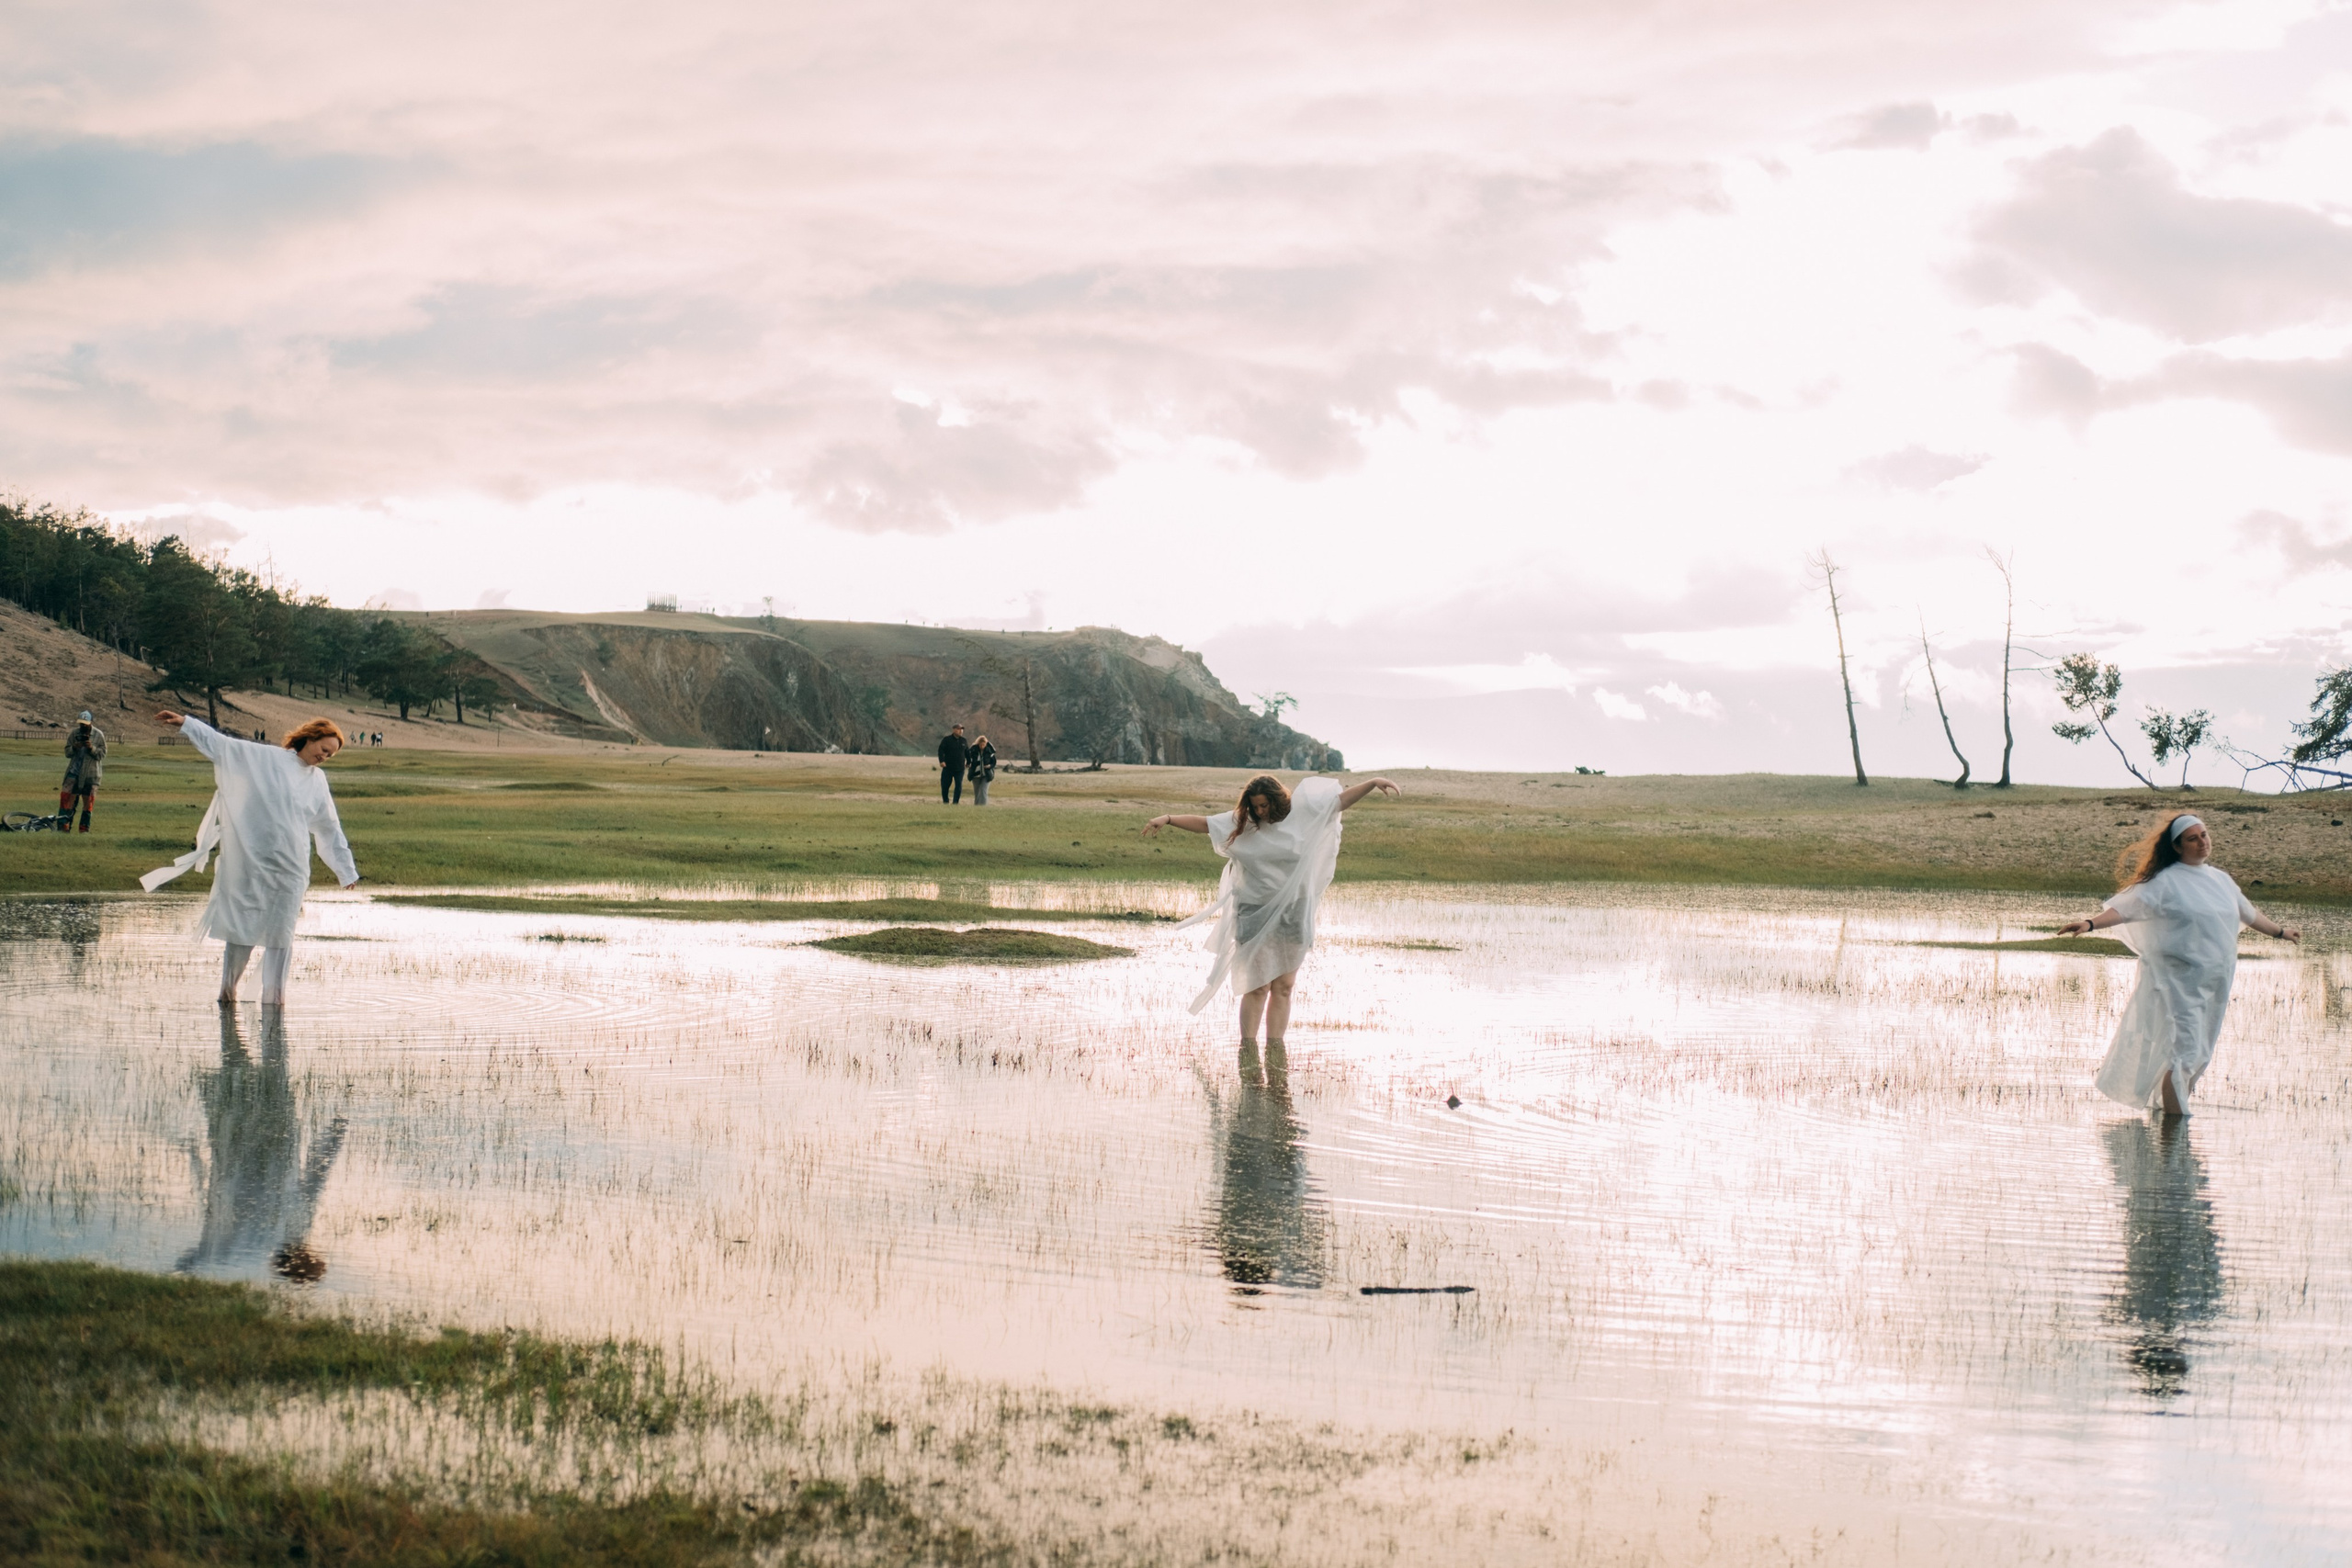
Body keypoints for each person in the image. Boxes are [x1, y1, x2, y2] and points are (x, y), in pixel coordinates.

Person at [2058, 812, 2300, 1115]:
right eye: (2193, 838)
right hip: (2178, 982)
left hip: (2216, 979)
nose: (2202, 842)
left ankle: (2169, 1117)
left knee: (2201, 1053)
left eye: (2205, 835)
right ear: (2177, 846)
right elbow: (2125, 909)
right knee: (2185, 1053)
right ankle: (2177, 1132)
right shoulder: (2164, 882)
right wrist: (2090, 923)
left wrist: (2280, 932)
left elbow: (2248, 915)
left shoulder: (2220, 880)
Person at [1145, 772, 1400, 1043]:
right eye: (1254, 806)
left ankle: (1275, 1048)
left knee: (1284, 987)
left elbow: (1338, 802)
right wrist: (1169, 819)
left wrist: (1373, 783)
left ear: (1278, 801)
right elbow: (1206, 823)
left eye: (1264, 805)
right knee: (1257, 986)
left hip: (1295, 911)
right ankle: (1248, 1049)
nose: (1259, 811)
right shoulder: (1245, 823)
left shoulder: (1304, 814)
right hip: (1254, 911)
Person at [141, 711, 360, 1007]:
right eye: (324, 750)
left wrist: (346, 870)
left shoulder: (317, 780)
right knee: (244, 925)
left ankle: (275, 999)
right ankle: (227, 992)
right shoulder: (266, 758)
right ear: (309, 738)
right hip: (253, 860)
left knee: (281, 934)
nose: (325, 757)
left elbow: (328, 827)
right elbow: (223, 746)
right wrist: (186, 723)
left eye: (330, 756)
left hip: (291, 867)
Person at [60, 710, 106, 833]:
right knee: (66, 800)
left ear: (91, 722)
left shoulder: (99, 735)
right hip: (73, 772)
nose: (83, 726)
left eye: (85, 724)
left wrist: (92, 748)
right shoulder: (74, 733)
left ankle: (84, 830)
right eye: (81, 724)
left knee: (88, 803)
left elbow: (102, 754)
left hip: (91, 775)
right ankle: (63, 828)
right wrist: (75, 747)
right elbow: (67, 753)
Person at [936, 723, 969, 805]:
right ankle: (946, 801)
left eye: (962, 729)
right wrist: (941, 761)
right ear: (953, 729)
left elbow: (967, 752)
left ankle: (955, 802)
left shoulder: (964, 740)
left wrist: (969, 762)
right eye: (958, 729)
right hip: (948, 767)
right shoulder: (947, 740)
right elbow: (941, 750)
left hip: (960, 768)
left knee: (958, 786)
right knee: (945, 786)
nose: (960, 731)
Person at [968, 732, 999, 805]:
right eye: (981, 744)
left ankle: (983, 807)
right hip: (975, 774)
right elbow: (969, 760)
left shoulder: (989, 752)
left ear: (986, 744)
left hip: (987, 775)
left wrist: (989, 766)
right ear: (978, 744)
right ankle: (976, 807)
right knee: (977, 792)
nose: (982, 746)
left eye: (984, 744)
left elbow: (994, 762)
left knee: (983, 791)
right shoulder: (973, 751)